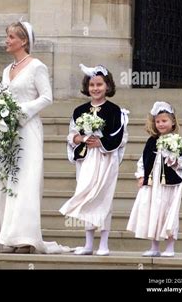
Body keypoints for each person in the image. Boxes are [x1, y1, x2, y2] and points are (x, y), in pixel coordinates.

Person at [0, 22, 69, 254]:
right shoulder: (8, 69)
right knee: (5, 182)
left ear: (24, 41)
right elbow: (0, 98)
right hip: (5, 131)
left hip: (27, 130)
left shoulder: (37, 66)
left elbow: (47, 97)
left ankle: (25, 237)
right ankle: (8, 236)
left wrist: (21, 112)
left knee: (25, 181)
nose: (6, 41)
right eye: (6, 37)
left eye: (10, 37)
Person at [59, 64, 129, 256]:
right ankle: (89, 243)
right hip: (86, 159)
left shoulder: (115, 111)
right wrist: (80, 139)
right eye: (92, 85)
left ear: (108, 86)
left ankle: (104, 243)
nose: (95, 88)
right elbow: (71, 134)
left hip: (105, 158)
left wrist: (101, 142)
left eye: (99, 84)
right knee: (87, 196)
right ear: (87, 87)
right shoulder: (79, 110)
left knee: (103, 197)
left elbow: (120, 136)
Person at [127, 102, 182, 257]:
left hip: (169, 184)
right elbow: (143, 160)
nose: (161, 124)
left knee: (168, 213)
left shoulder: (178, 141)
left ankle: (170, 246)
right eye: (158, 121)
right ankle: (154, 246)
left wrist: (173, 160)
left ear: (173, 122)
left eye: (164, 121)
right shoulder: (151, 141)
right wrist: (141, 175)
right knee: (153, 212)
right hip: (152, 183)